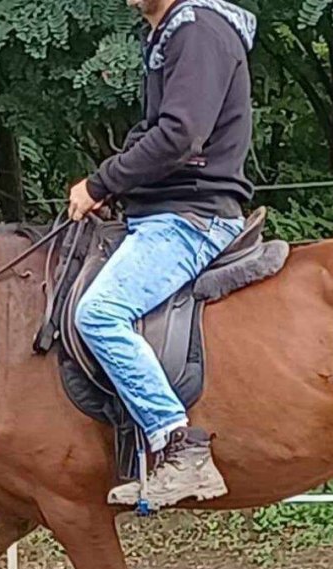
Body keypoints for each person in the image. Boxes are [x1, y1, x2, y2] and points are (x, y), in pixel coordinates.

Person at [68, 0, 258, 509]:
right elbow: (155, 134)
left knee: (101, 313)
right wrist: (116, 186)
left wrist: (101, 181)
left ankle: (179, 447)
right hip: (164, 208)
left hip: (191, 215)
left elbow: (180, 134)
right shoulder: (167, 34)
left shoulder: (196, 29)